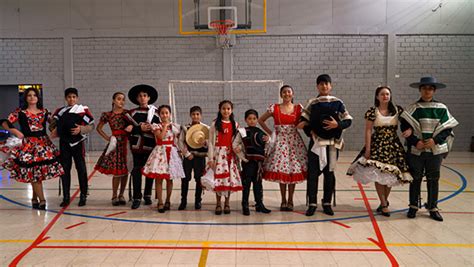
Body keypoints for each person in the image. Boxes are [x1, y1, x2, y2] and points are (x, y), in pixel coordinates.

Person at [346, 86, 412, 216]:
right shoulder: (372, 112)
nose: (385, 96)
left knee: (390, 175)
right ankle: (383, 203)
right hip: (378, 145)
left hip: (393, 146)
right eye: (382, 94)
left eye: (387, 94)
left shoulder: (397, 110)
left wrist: (410, 130)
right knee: (378, 174)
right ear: (377, 97)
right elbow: (368, 130)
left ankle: (384, 201)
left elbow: (408, 123)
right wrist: (368, 148)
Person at [400, 76, 459, 222]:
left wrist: (434, 141)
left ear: (434, 91)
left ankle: (433, 207)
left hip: (435, 150)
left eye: (431, 88)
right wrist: (415, 142)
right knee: (415, 179)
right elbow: (405, 127)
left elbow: (447, 129)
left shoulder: (442, 108)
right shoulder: (412, 108)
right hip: (416, 151)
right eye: (425, 88)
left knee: (434, 179)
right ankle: (413, 206)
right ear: (420, 90)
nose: (428, 91)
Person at [2, 88, 64, 210]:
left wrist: (55, 130)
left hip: (43, 145)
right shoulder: (20, 112)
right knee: (34, 172)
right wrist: (15, 131)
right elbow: (5, 122)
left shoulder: (44, 112)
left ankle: (34, 198)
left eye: (34, 95)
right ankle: (42, 200)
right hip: (28, 145)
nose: (32, 97)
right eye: (29, 95)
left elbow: (53, 125)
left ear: (38, 97)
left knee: (37, 173)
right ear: (25, 98)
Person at [300, 74, 352, 216]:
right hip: (316, 144)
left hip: (332, 145)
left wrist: (338, 124)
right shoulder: (312, 102)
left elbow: (348, 120)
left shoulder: (338, 102)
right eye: (321, 84)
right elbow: (303, 121)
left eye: (326, 84)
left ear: (331, 86)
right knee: (313, 174)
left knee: (329, 174)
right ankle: (312, 203)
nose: (324, 86)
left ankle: (327, 202)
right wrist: (310, 131)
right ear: (317, 86)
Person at [259, 85, 307, 212]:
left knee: (292, 170)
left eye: (289, 92)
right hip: (280, 142)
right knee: (282, 170)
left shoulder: (298, 108)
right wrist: (271, 132)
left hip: (294, 142)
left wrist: (304, 124)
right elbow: (261, 120)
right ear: (281, 94)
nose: (286, 94)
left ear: (293, 94)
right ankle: (283, 200)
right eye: (284, 92)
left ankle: (291, 200)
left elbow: (307, 120)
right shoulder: (274, 108)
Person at [52, 87, 94, 207]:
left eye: (74, 97)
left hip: (78, 143)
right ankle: (66, 197)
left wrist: (81, 129)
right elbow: (53, 124)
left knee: (81, 169)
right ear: (66, 98)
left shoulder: (82, 110)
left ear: (77, 98)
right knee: (65, 170)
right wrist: (54, 130)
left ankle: (83, 195)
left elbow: (91, 126)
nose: (71, 99)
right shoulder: (60, 111)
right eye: (69, 97)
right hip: (64, 143)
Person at [202, 100, 243, 215]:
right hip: (218, 156)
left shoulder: (235, 124)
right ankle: (218, 203)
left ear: (232, 110)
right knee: (218, 180)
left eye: (228, 108)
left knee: (228, 180)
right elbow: (210, 142)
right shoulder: (215, 124)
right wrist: (210, 158)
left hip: (230, 156)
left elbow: (238, 141)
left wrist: (237, 148)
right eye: (224, 108)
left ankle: (227, 203)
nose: (226, 111)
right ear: (220, 110)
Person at [142, 105, 185, 213]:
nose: (165, 115)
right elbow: (160, 137)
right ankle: (160, 201)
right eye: (162, 113)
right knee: (159, 179)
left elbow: (178, 139)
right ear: (159, 115)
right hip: (160, 153)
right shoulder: (156, 126)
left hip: (172, 152)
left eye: (167, 113)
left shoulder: (175, 127)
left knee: (169, 179)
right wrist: (165, 126)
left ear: (170, 114)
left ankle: (168, 200)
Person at [125, 84, 160, 209]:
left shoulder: (156, 114)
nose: (142, 98)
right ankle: (137, 197)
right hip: (136, 147)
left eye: (145, 95)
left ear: (149, 97)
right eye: (140, 96)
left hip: (151, 147)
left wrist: (152, 127)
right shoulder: (131, 114)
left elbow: (161, 128)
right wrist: (138, 128)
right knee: (137, 172)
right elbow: (127, 129)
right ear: (137, 99)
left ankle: (147, 195)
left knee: (150, 172)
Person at [94, 92, 131, 206]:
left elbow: (134, 126)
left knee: (125, 171)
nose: (121, 101)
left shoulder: (127, 114)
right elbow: (98, 128)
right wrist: (108, 138)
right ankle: (114, 195)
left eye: (123, 99)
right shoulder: (108, 115)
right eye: (119, 99)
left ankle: (121, 194)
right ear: (113, 100)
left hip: (126, 143)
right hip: (115, 144)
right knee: (116, 172)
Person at [238, 109, 271, 216]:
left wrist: (268, 140)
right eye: (249, 119)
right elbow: (236, 145)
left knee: (258, 184)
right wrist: (243, 158)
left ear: (257, 120)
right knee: (246, 184)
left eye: (254, 118)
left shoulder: (261, 132)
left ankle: (259, 204)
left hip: (258, 164)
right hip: (247, 163)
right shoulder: (242, 131)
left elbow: (267, 147)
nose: (252, 121)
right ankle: (245, 205)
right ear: (245, 120)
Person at [178, 106, 209, 210]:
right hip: (188, 157)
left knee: (199, 179)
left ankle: (198, 201)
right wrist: (187, 154)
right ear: (190, 115)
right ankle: (183, 201)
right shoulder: (185, 128)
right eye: (193, 114)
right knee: (185, 179)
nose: (195, 116)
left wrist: (206, 143)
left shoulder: (206, 129)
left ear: (201, 115)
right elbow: (181, 142)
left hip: (200, 158)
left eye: (197, 114)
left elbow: (210, 143)